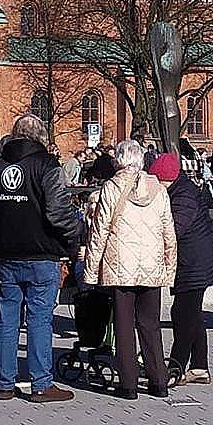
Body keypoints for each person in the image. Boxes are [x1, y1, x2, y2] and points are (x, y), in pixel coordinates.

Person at [0, 114, 85, 402]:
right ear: (41, 137)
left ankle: (5, 383)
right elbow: (59, 213)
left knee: (7, 318)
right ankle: (41, 384)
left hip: (8, 254)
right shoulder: (47, 166)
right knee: (39, 319)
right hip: (42, 253)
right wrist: (75, 235)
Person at [83, 142, 178, 398]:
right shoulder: (159, 189)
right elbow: (169, 232)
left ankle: (128, 384)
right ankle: (158, 380)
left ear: (119, 162)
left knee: (124, 325)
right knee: (150, 324)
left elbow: (99, 232)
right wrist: (169, 269)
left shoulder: (111, 188)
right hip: (151, 264)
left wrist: (91, 272)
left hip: (119, 264)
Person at [161, 152, 213, 384]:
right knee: (192, 314)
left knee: (183, 315)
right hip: (195, 261)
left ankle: (176, 366)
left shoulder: (183, 195)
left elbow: (176, 228)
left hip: (195, 263)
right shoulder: (180, 190)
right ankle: (199, 367)